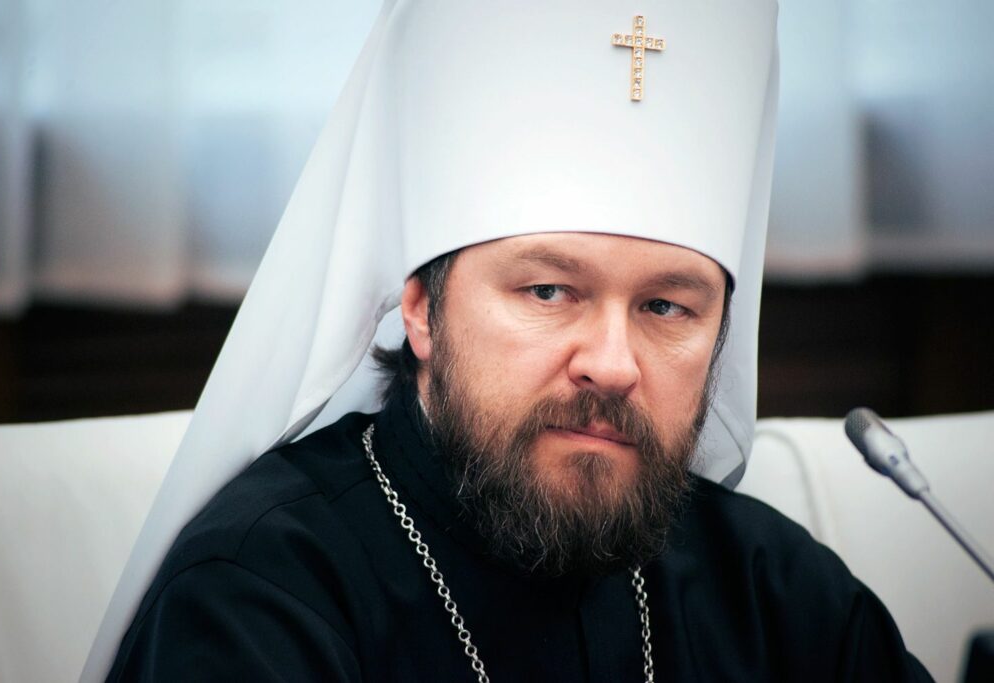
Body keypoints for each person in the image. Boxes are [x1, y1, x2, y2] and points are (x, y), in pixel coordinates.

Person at [88, 1, 934, 680]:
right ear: (421, 308)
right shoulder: (257, 599)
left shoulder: (778, 594)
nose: (612, 363)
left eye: (666, 307)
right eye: (549, 291)